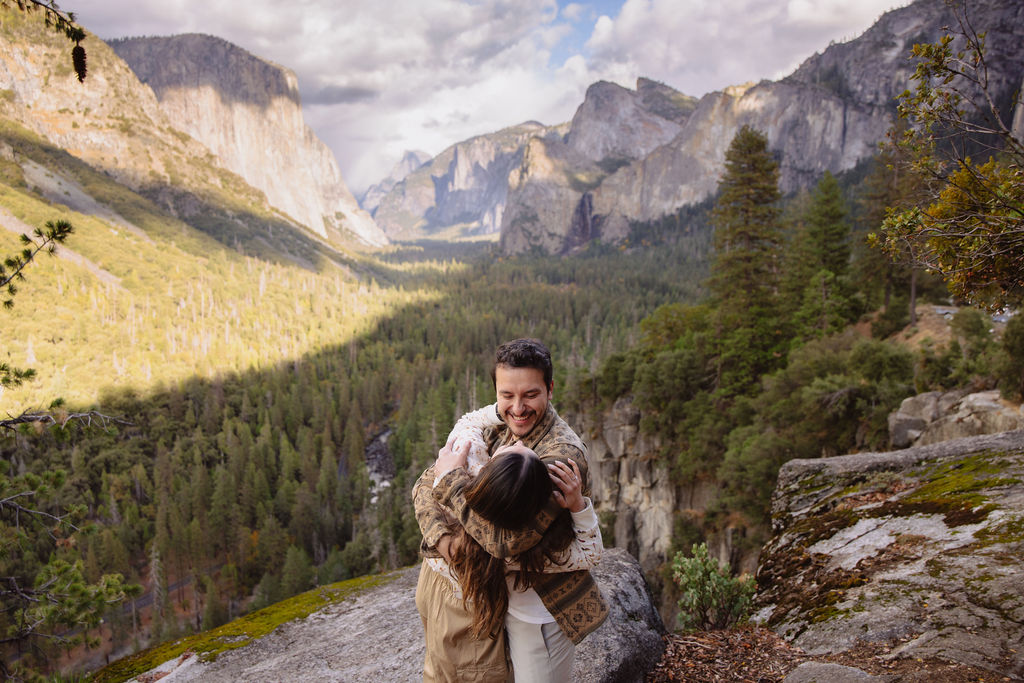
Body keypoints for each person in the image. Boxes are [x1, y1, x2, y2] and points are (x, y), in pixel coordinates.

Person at [414, 338, 609, 681]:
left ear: (550, 389)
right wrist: (443, 537)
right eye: (507, 395)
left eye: (530, 395)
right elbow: (422, 486)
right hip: (503, 600)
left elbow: (503, 543)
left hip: (542, 608)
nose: (518, 408)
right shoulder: (500, 427)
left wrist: (450, 484)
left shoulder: (558, 460)